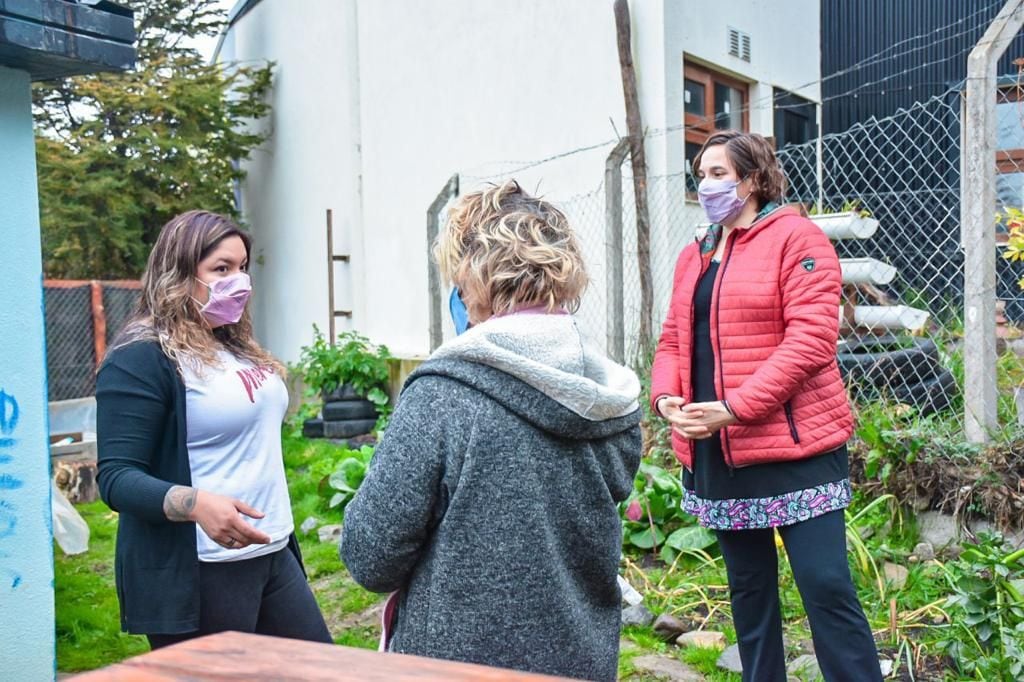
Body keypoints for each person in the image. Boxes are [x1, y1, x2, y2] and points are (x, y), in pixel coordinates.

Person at [340, 180, 642, 681]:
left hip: (457, 662)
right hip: (581, 659)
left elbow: (372, 558)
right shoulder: (610, 393)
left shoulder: (445, 394)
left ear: (471, 278)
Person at [650, 131, 881, 682]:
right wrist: (666, 400)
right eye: (701, 174)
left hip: (793, 447)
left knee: (826, 586)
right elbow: (673, 340)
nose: (706, 185)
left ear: (753, 180)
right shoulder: (695, 253)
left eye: (718, 174)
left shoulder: (797, 239)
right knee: (749, 593)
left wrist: (734, 407)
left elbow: (810, 342)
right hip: (719, 453)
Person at [96, 210, 331, 649]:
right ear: (179, 274)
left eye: (242, 268)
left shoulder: (230, 342)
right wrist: (196, 504)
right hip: (202, 568)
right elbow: (116, 477)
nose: (238, 280)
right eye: (221, 269)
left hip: (272, 552)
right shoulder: (141, 357)